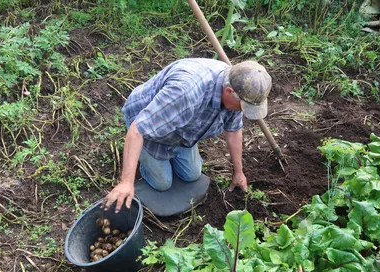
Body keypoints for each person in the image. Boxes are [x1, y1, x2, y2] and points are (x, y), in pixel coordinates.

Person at [103, 58, 272, 213]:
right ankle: (144, 161)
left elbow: (234, 130)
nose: (242, 111)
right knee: (163, 184)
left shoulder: (239, 86)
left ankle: (168, 156)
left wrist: (239, 172)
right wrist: (126, 182)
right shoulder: (186, 92)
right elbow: (138, 129)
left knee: (192, 175)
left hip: (183, 129)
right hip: (149, 127)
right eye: (242, 107)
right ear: (228, 91)